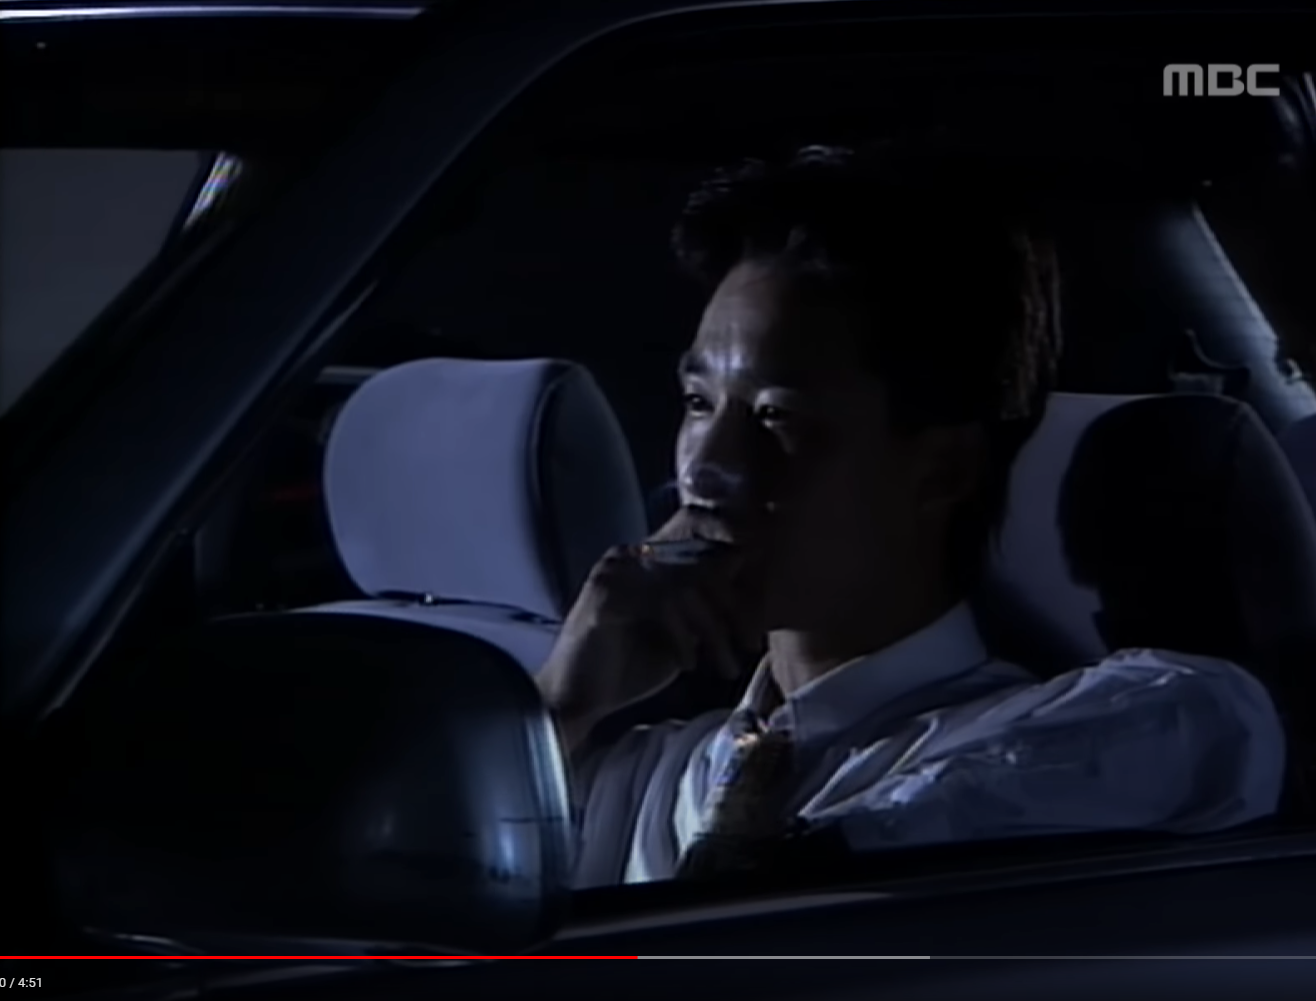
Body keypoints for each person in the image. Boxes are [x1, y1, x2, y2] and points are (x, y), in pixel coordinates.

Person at [537, 146, 1285, 887]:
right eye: (699, 403)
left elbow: (1211, 722)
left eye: (776, 415)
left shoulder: (1086, 740)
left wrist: (801, 864)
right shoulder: (648, 776)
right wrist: (561, 704)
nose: (702, 472)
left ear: (944, 468)